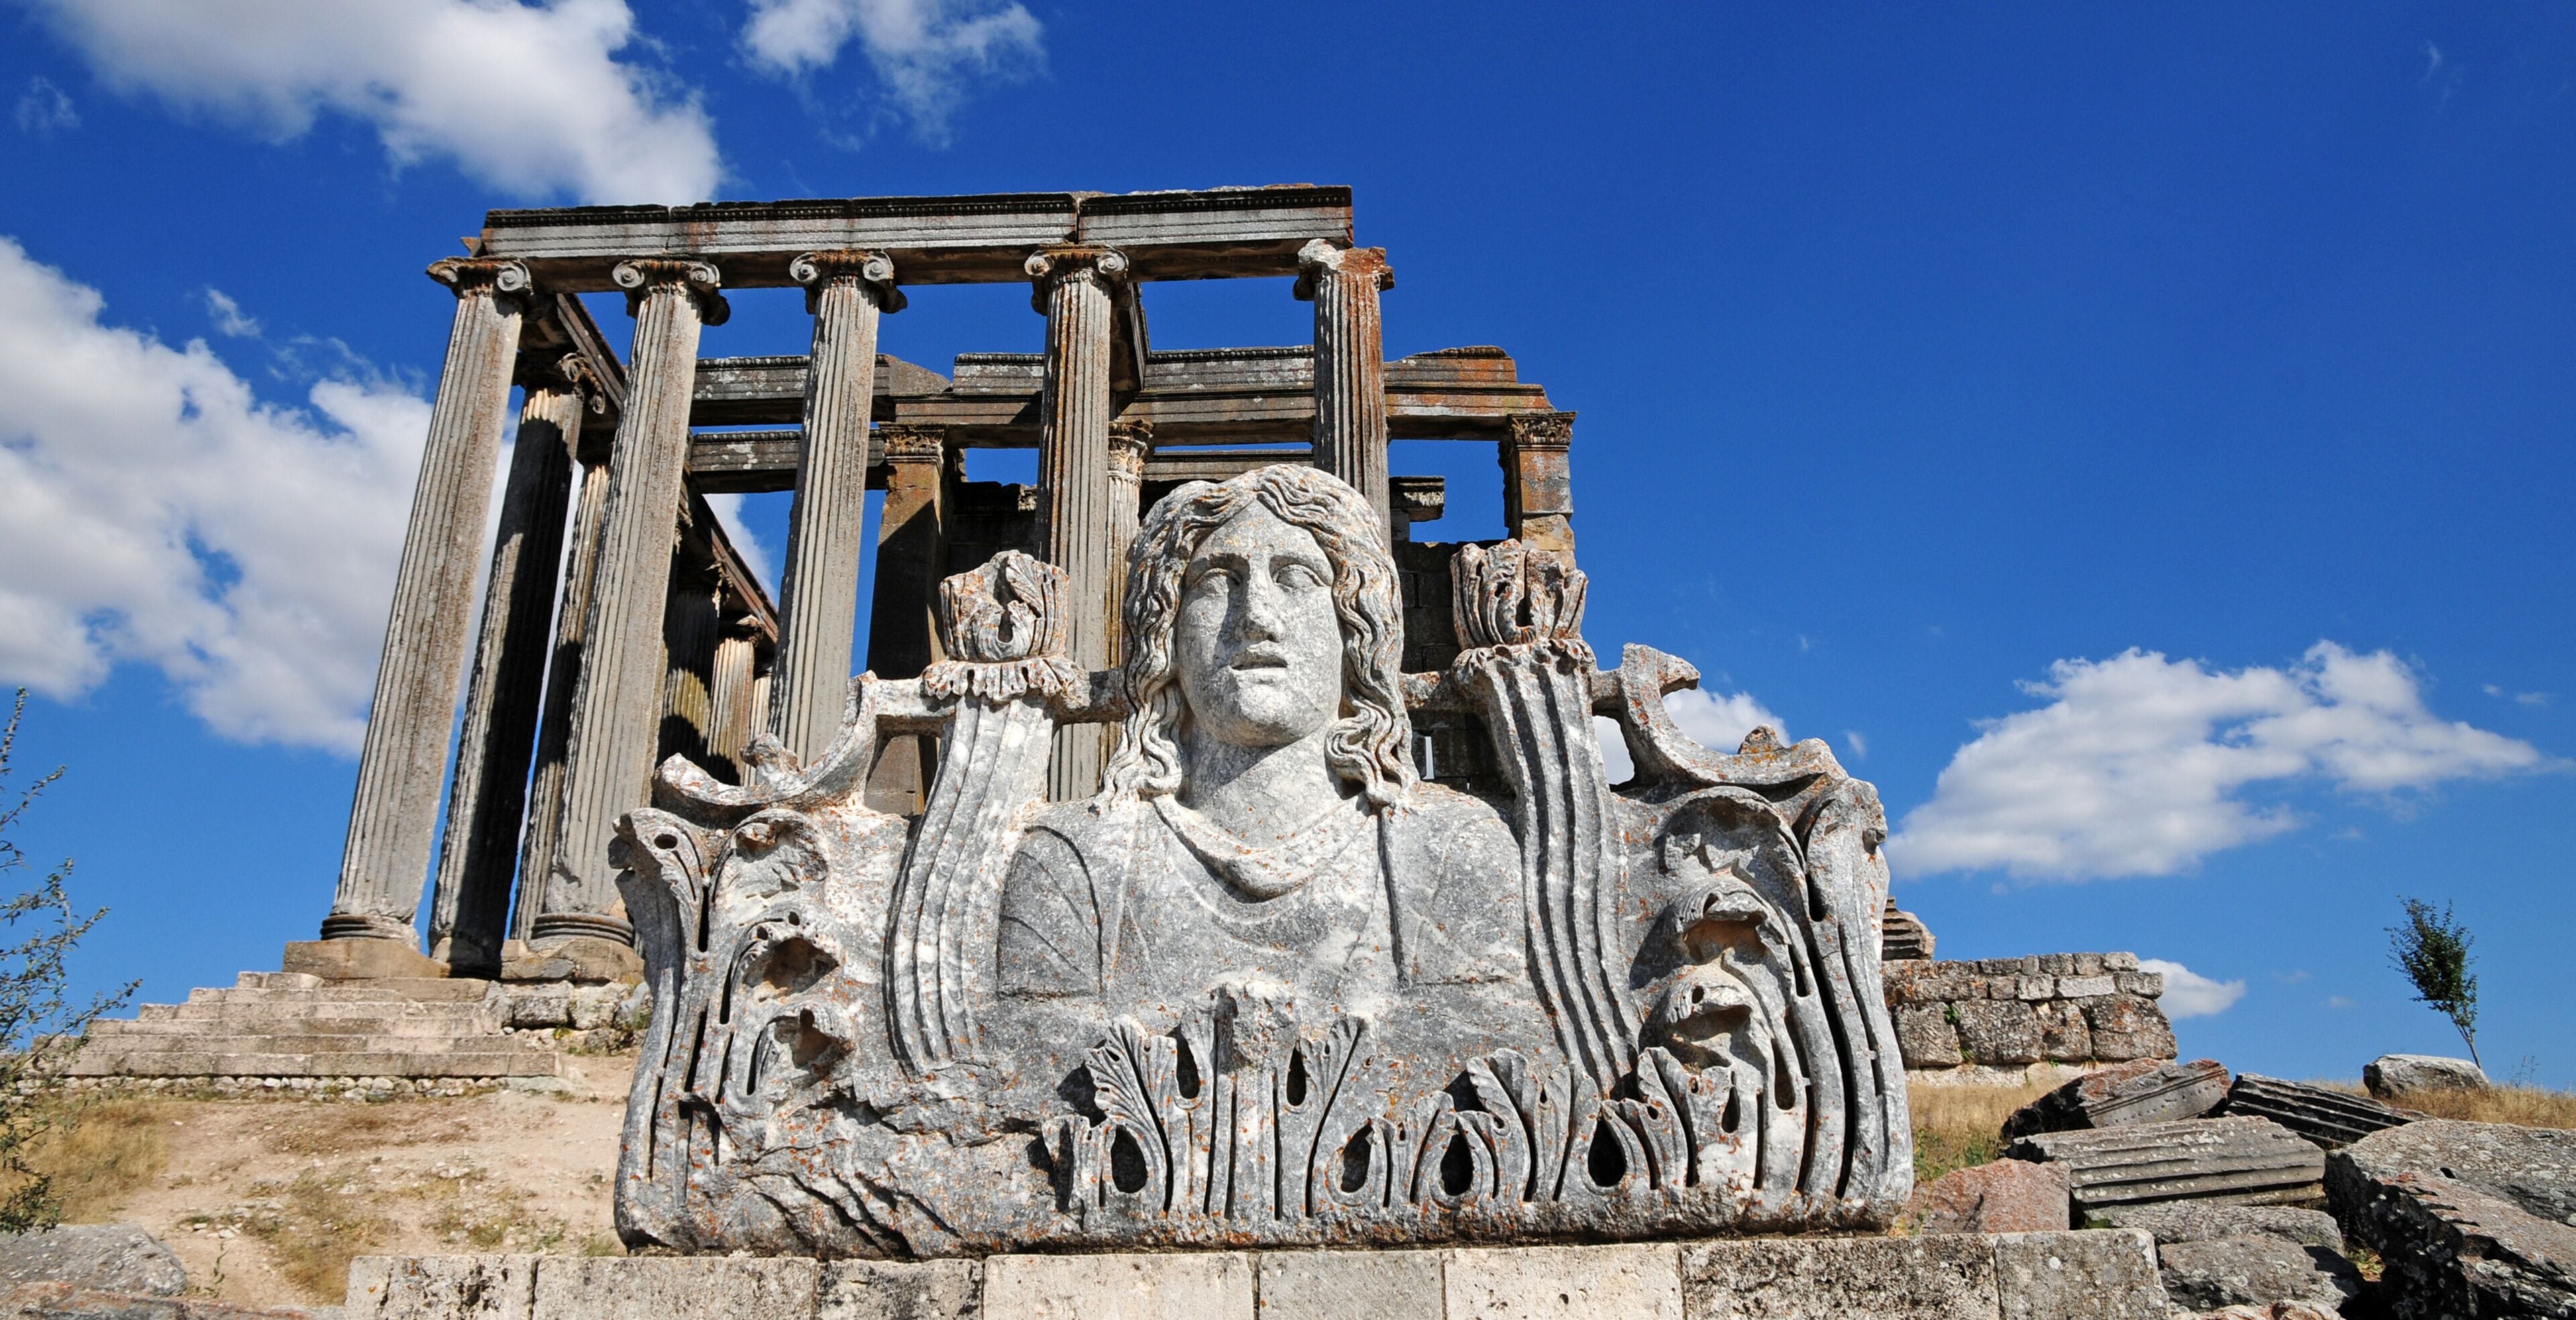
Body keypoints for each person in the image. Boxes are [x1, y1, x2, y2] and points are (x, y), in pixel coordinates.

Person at [993, 465, 1537, 1075]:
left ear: (1357, 626)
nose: (1256, 615)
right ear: (1162, 634)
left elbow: (1499, 1071)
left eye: (1297, 578)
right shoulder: (1073, 861)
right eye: (1217, 581)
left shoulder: (1449, 850)